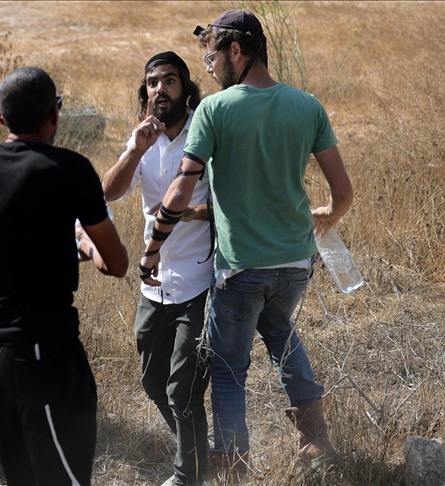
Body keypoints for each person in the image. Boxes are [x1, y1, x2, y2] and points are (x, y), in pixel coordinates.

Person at [138, 10, 353, 478]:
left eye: (212, 57)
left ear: (236, 51)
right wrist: (327, 216)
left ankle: (234, 467)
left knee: (230, 370)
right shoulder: (307, 105)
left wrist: (153, 247)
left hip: (240, 268)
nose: (210, 68)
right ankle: (316, 442)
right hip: (296, 262)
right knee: (281, 333)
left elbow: (180, 189)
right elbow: (343, 194)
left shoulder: (215, 110)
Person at [0, 66, 129, 485]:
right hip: (44, 348)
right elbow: (116, 263)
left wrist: (1, 267)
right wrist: (81, 244)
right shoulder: (71, 169)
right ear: (55, 114)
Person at [102, 52, 211, 486]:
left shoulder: (205, 133)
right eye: (152, 82)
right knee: (153, 382)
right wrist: (135, 149)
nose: (159, 89)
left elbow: (232, 204)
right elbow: (109, 192)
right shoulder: (143, 139)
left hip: (200, 279)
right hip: (155, 284)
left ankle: (189, 474)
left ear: (186, 89)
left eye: (169, 80)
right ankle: (199, 453)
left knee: (183, 389)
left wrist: (189, 212)